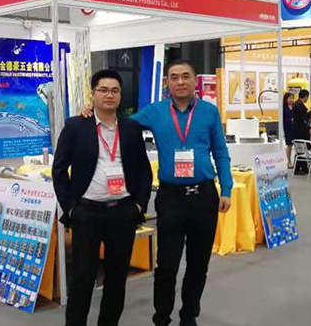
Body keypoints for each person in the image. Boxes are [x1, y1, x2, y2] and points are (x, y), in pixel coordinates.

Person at [82, 59, 232, 326]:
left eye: (185, 76)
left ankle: (189, 317)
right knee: (167, 266)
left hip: (204, 196)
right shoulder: (156, 111)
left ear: (194, 80)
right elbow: (119, 123)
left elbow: (220, 152)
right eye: (174, 77)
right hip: (171, 198)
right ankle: (161, 319)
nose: (180, 81)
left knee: (198, 265)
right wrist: (92, 111)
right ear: (167, 83)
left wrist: (227, 188)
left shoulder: (209, 112)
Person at [52, 69, 152, 326]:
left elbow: (144, 170)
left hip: (123, 212)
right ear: (93, 94)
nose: (109, 95)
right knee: (82, 278)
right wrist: (70, 208)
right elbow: (59, 170)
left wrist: (139, 205)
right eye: (103, 90)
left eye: (115, 90)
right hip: (87, 213)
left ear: (120, 95)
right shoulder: (76, 126)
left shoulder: (131, 128)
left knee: (117, 278)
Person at [292, 90, 310, 175]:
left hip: (297, 130)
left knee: (300, 150)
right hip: (300, 131)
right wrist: (308, 126)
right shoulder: (299, 105)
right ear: (305, 96)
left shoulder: (296, 104)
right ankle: (300, 168)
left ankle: (302, 168)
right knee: (302, 149)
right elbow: (303, 119)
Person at [283, 92, 295, 169]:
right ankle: (289, 161)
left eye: (292, 98)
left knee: (296, 143)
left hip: (295, 127)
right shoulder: (283, 107)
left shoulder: (295, 106)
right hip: (287, 127)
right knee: (289, 145)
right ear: (286, 99)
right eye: (290, 98)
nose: (291, 99)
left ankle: (296, 161)